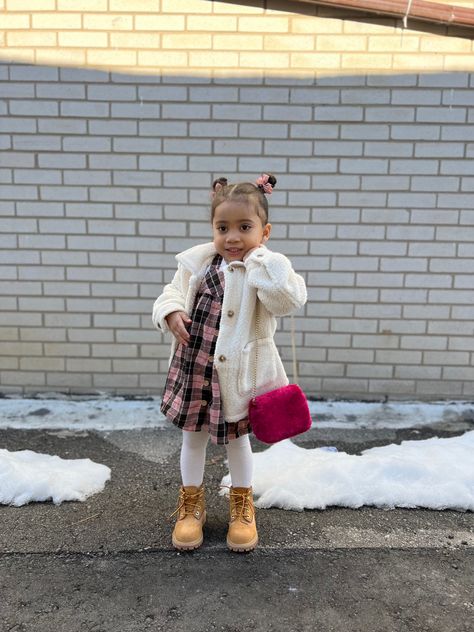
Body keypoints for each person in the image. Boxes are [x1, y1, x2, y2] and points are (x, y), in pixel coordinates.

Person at [152, 173, 307, 552]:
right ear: (212, 229)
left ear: (264, 231)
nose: (233, 237)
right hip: (195, 369)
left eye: (244, 227)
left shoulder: (264, 270)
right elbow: (170, 291)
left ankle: (242, 504)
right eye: (223, 227)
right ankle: (192, 505)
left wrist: (264, 261)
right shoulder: (197, 263)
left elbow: (289, 300)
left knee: (237, 443)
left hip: (236, 377)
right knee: (193, 439)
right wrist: (171, 311)